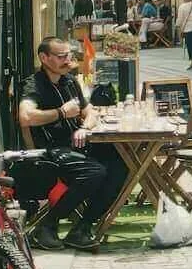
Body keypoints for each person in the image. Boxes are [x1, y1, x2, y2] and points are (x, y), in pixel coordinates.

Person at [16, 37, 123, 247]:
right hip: (49, 151)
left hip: (74, 145)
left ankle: (82, 227)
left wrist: (84, 128)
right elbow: (25, 116)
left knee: (120, 161)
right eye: (61, 56)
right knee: (94, 172)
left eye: (69, 56)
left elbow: (89, 111)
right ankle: (46, 226)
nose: (68, 60)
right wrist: (60, 113)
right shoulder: (34, 84)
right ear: (44, 58)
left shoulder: (69, 81)